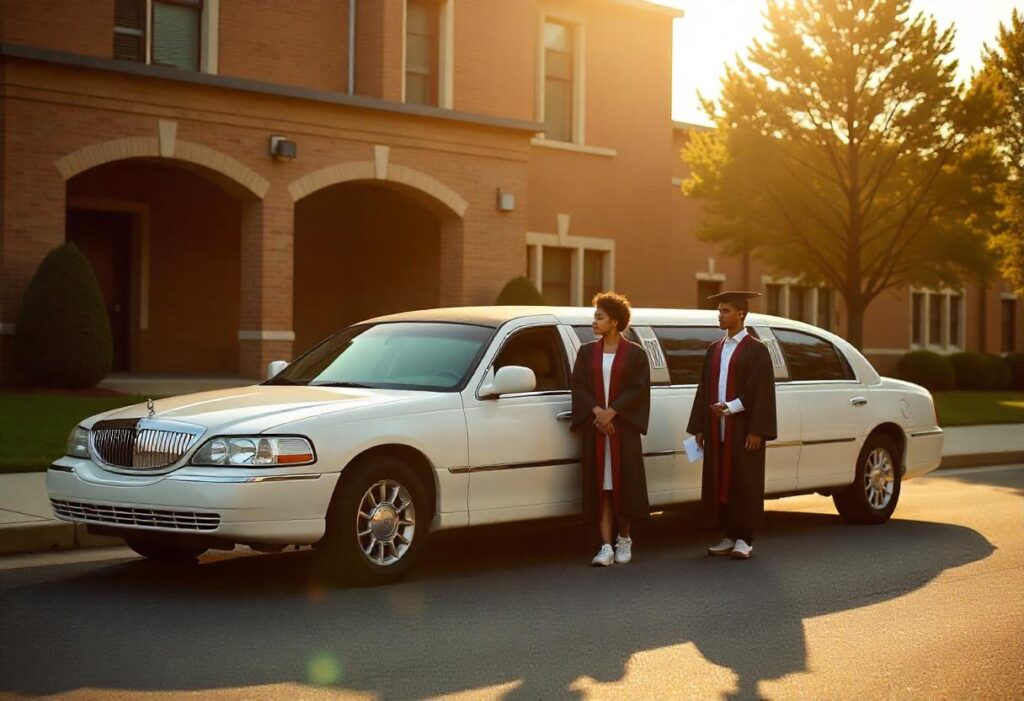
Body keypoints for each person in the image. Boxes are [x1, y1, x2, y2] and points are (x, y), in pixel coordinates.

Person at [686, 291, 777, 559]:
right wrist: (701, 427)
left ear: (740, 314)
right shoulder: (714, 349)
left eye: (725, 310)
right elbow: (704, 390)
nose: (720, 315)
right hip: (717, 428)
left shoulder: (756, 349)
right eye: (719, 310)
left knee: (743, 481)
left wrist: (755, 429)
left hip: (744, 427)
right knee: (720, 480)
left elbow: (760, 390)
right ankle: (727, 534)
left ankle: (744, 539)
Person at [570, 291, 652, 566]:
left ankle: (624, 540)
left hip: (622, 431)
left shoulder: (636, 355)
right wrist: (597, 413)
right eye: (594, 316)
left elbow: (637, 390)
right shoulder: (586, 352)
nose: (594, 321)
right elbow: (579, 386)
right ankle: (605, 546)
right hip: (597, 431)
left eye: (600, 317)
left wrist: (612, 413)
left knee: (622, 485)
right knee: (602, 488)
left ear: (614, 322)